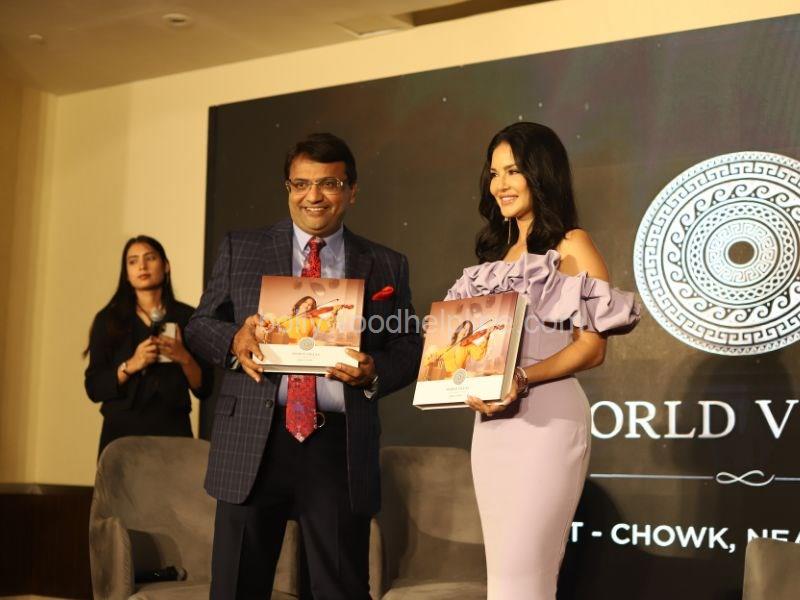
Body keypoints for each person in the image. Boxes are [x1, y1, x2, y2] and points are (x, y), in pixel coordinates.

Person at [184, 133, 422, 599]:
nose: (314, 196)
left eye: (329, 183)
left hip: (338, 444)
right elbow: (198, 325)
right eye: (301, 184)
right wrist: (234, 339)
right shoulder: (241, 248)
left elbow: (410, 344)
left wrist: (374, 371)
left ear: (352, 191)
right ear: (288, 188)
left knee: (340, 589)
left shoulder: (385, 264)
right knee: (236, 588)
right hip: (255, 438)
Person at [443, 122, 640, 600]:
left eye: (513, 171)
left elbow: (591, 348)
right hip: (492, 429)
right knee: (503, 578)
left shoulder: (572, 245)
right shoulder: (492, 258)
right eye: (494, 173)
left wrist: (520, 377)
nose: (500, 184)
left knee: (524, 578)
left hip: (547, 425)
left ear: (541, 174)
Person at [84, 235, 213, 456]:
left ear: (166, 266)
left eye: (150, 258)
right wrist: (131, 364)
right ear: (126, 273)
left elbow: (204, 387)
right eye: (133, 261)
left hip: (173, 432)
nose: (142, 266)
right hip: (121, 435)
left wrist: (183, 357)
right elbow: (94, 387)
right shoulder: (109, 320)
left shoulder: (189, 317)